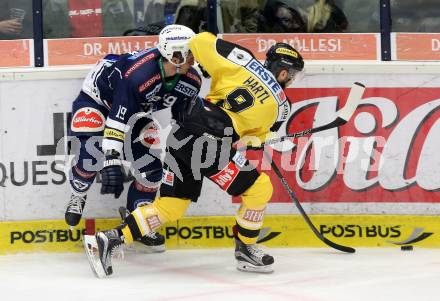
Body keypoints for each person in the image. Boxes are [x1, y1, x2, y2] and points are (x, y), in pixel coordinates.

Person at [83, 31, 305, 277]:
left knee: (171, 207)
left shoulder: (243, 59)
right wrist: (260, 140)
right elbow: (254, 139)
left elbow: (198, 41)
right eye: (292, 75)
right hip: (210, 143)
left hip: (183, 133)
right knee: (260, 188)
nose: (291, 80)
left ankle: (108, 239)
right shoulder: (283, 106)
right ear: (283, 73)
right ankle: (246, 248)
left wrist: (208, 65)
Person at [66, 24, 201, 252]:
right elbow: (117, 122)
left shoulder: (191, 81)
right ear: (174, 55)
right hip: (97, 100)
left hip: (137, 110)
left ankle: (135, 219)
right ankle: (78, 194)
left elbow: (182, 119)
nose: (195, 57)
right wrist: (111, 160)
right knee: (91, 158)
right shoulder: (138, 76)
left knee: (151, 170)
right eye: (190, 52)